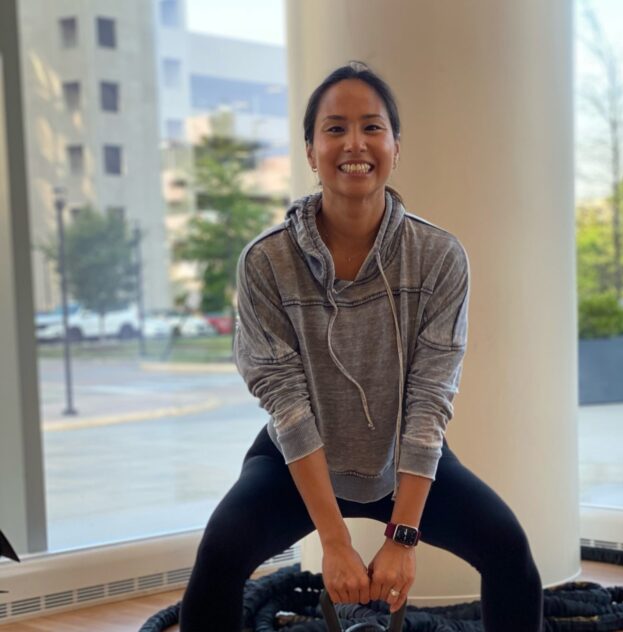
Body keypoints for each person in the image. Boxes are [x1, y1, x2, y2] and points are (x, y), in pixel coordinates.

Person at [179, 61, 543, 632]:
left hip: (403, 456)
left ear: (396, 147)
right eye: (335, 128)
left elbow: (430, 400)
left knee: (509, 551)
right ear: (309, 150)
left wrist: (402, 536)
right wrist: (334, 539)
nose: (355, 144)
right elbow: (286, 403)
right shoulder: (267, 262)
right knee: (220, 555)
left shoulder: (439, 256)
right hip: (297, 458)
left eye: (373, 127)